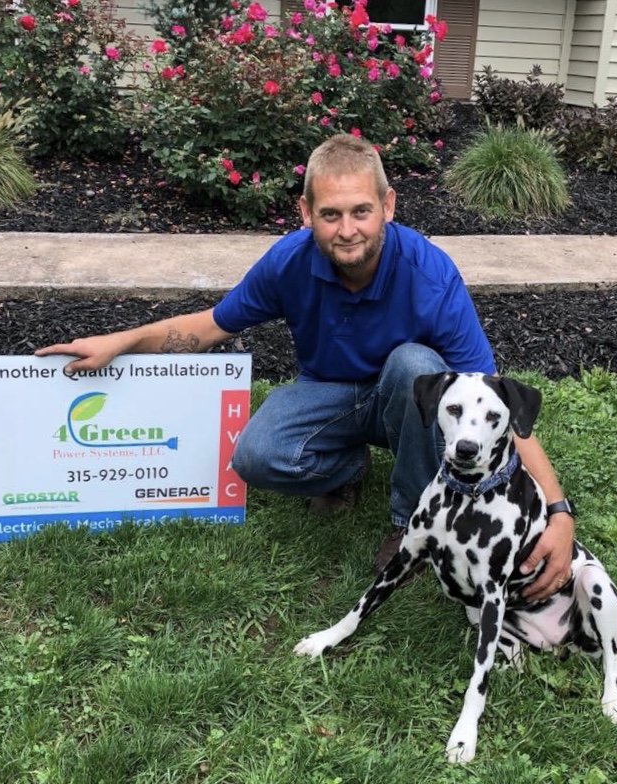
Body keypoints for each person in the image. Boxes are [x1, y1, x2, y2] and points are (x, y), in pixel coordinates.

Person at [36, 134, 574, 600]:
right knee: (256, 456)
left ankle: (409, 519)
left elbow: (496, 404)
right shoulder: (289, 261)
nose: (347, 230)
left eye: (361, 210)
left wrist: (557, 510)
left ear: (388, 205)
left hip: (405, 400)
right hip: (329, 393)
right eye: (330, 214)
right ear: (305, 212)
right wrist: (118, 342)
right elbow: (207, 327)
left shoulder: (430, 273)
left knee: (415, 365)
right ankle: (347, 470)